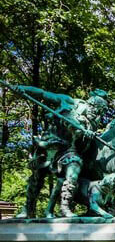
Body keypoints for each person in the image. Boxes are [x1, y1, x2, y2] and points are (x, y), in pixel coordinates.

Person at [10, 85, 109, 218]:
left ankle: (65, 207)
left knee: (73, 173)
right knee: (37, 177)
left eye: (98, 112)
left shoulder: (91, 124)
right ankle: (27, 209)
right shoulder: (69, 102)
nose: (95, 113)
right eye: (94, 108)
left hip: (69, 151)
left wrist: (88, 136)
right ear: (89, 103)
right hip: (50, 145)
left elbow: (85, 146)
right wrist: (22, 89)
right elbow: (43, 93)